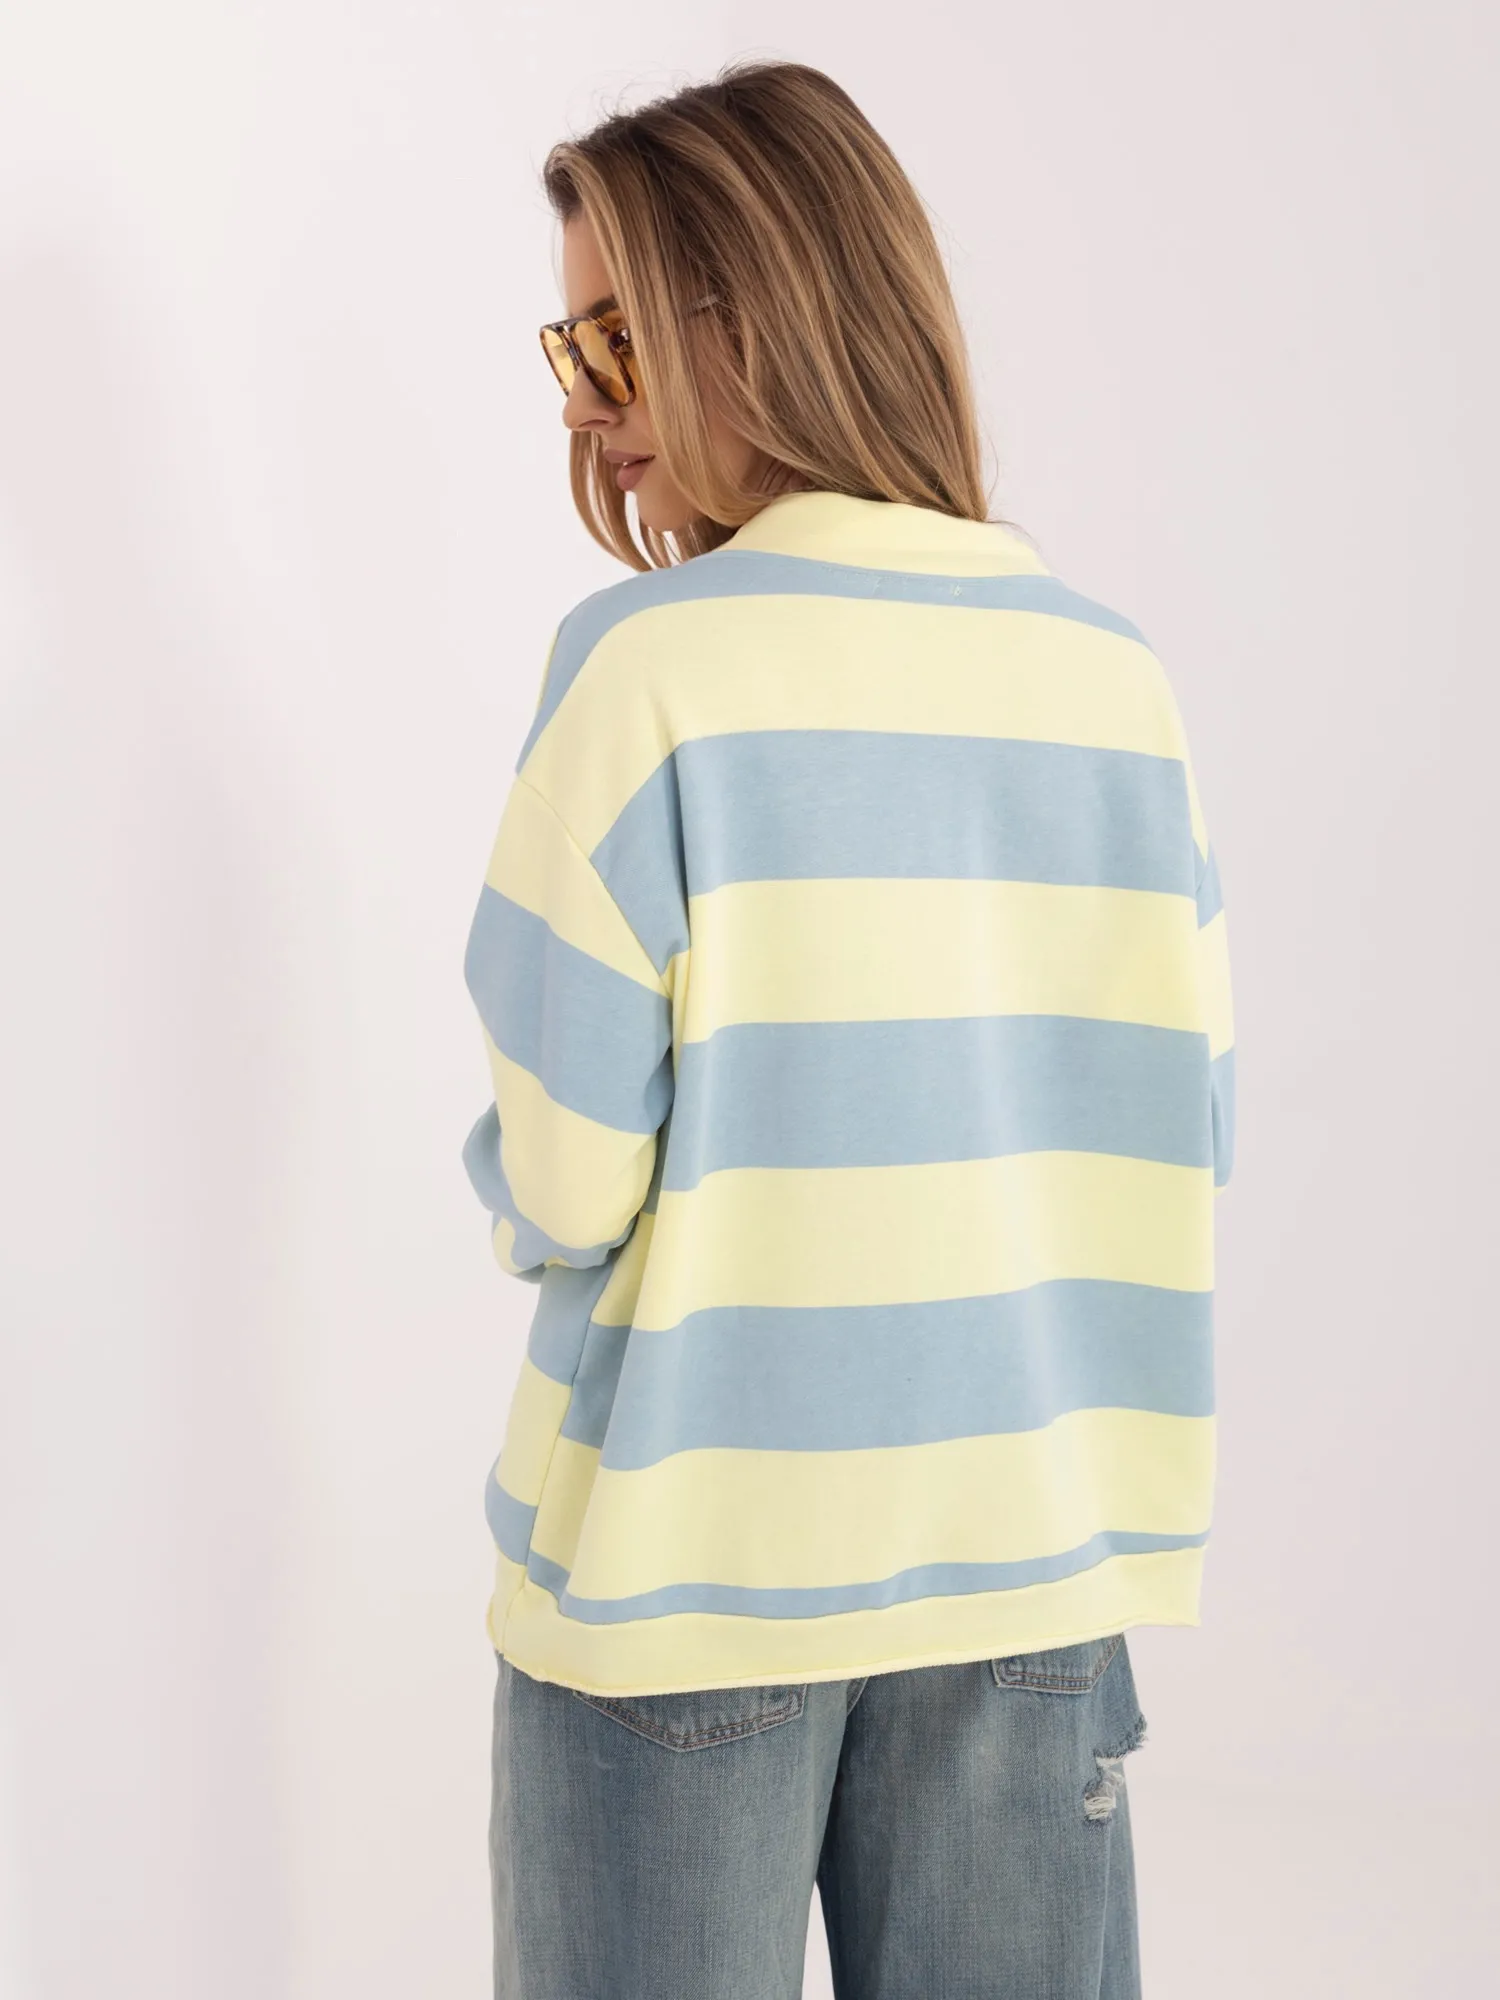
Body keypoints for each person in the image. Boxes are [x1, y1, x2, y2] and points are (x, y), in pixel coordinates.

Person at [460, 56, 1234, 2000]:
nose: (584, 405)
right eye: (569, 345)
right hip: (1027, 1563)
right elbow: (1172, 1134)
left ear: (752, 318)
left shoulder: (642, 674)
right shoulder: (1114, 683)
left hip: (684, 1575)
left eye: (613, 338)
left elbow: (567, 1177)